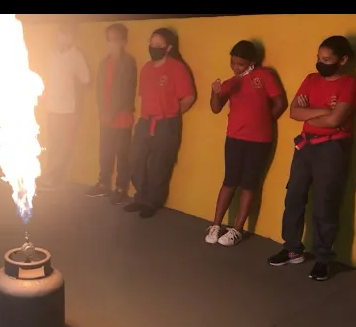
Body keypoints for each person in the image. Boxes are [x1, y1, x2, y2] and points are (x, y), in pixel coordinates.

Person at [268, 35, 356, 281]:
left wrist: (311, 114)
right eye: (319, 58)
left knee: (325, 202)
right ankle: (292, 249)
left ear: (343, 60)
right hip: (305, 145)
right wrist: (324, 111)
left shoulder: (349, 84)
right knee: (294, 195)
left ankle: (323, 258)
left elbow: (336, 120)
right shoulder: (310, 79)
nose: (321, 63)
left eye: (327, 59)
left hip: (333, 148)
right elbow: (294, 112)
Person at [205, 40, 286, 246]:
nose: (236, 67)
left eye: (240, 64)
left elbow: (280, 103)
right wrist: (215, 92)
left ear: (252, 62)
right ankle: (215, 225)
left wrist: (264, 122)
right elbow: (215, 108)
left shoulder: (265, 75)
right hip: (234, 138)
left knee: (249, 183)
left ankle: (237, 229)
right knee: (229, 181)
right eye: (233, 63)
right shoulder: (231, 82)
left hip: (259, 141)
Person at [124, 28, 195, 218]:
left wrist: (171, 114)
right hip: (146, 121)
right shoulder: (146, 68)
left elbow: (189, 97)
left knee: (159, 165)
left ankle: (151, 202)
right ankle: (140, 197)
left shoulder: (177, 68)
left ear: (168, 47)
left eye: (158, 45)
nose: (153, 48)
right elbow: (144, 96)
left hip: (166, 124)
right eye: (151, 44)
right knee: (135, 160)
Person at [86, 23, 137, 205]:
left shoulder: (128, 62)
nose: (111, 44)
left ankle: (121, 188)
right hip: (106, 117)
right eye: (109, 40)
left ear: (123, 41)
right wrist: (102, 111)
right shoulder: (104, 63)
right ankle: (103, 184)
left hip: (121, 117)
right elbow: (100, 91)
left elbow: (126, 92)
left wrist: (112, 113)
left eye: (115, 39)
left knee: (122, 154)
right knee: (105, 152)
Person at [40, 24, 90, 190]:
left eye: (65, 35)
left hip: (67, 109)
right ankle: (49, 176)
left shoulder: (76, 55)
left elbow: (86, 79)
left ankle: (51, 178)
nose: (61, 38)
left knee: (62, 146)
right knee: (51, 145)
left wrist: (72, 93)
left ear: (71, 38)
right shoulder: (51, 55)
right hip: (50, 108)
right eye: (60, 34)